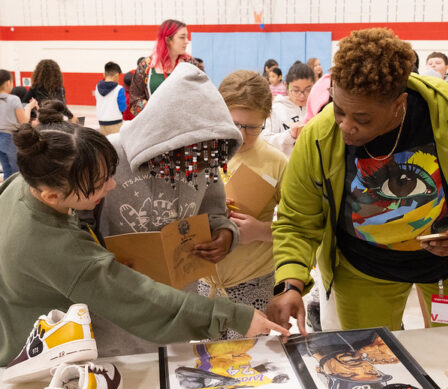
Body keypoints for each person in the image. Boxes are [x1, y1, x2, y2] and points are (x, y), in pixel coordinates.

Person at [266, 28, 448, 334]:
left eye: (362, 119)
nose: (345, 127)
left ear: (399, 104)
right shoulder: (319, 136)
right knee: (370, 366)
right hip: (363, 270)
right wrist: (290, 282)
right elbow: (297, 219)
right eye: (339, 110)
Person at [0, 100, 288, 366]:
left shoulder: (21, 184)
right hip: (35, 358)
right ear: (52, 196)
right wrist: (233, 316)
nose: (111, 187)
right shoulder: (60, 249)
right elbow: (141, 300)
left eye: (110, 175)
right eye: (98, 186)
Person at [98, 61, 245, 354]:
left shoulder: (207, 160)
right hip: (115, 314)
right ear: (165, 141)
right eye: (192, 156)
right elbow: (74, 226)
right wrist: (99, 263)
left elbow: (214, 212)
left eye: (210, 159)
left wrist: (225, 235)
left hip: (175, 310)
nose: (201, 167)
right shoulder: (108, 156)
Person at [196, 70, 288, 340]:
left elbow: (300, 227)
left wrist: (261, 230)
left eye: (253, 127)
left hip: (254, 282)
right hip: (205, 283)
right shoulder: (200, 156)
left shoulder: (277, 162)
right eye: (234, 123)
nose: (242, 135)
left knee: (252, 367)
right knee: (211, 364)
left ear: (266, 120)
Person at [129, 19, 203, 116]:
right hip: (155, 126)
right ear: (168, 40)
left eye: (187, 37)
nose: (187, 41)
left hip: (185, 125)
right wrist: (153, 110)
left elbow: (203, 95)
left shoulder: (192, 65)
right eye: (182, 37)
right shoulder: (146, 66)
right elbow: (135, 99)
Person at [262, 62, 315, 157]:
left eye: (308, 90)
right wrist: (290, 135)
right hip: (285, 167)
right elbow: (265, 141)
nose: (302, 95)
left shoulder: (318, 108)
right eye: (296, 90)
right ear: (286, 86)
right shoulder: (276, 109)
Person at [0, 70, 37, 180]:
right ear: (8, 83)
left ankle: (5, 194)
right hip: (9, 137)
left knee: (7, 170)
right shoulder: (13, 99)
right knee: (17, 171)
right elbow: (24, 122)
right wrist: (29, 107)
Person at [94, 61, 127, 135]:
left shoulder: (97, 87)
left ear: (104, 74)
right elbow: (122, 107)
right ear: (116, 75)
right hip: (115, 121)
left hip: (101, 122)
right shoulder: (119, 89)